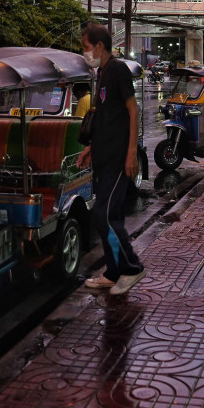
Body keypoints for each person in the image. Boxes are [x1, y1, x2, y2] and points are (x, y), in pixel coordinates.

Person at [76, 23, 146, 295]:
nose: (84, 53)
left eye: (85, 47)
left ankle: (132, 268)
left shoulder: (117, 70)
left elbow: (132, 109)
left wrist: (131, 153)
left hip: (118, 157)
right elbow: (105, 117)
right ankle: (114, 271)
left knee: (103, 214)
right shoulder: (102, 72)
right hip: (103, 156)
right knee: (107, 215)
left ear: (99, 46)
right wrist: (91, 147)